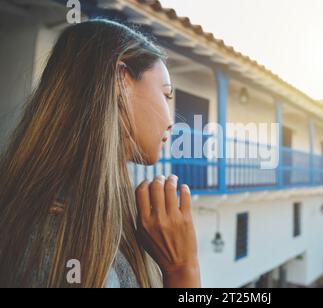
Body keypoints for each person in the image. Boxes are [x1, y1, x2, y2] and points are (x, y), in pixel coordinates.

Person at [0, 19, 200, 288]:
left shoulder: (88, 218)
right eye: (166, 94)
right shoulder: (59, 243)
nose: (172, 120)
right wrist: (182, 269)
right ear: (121, 80)